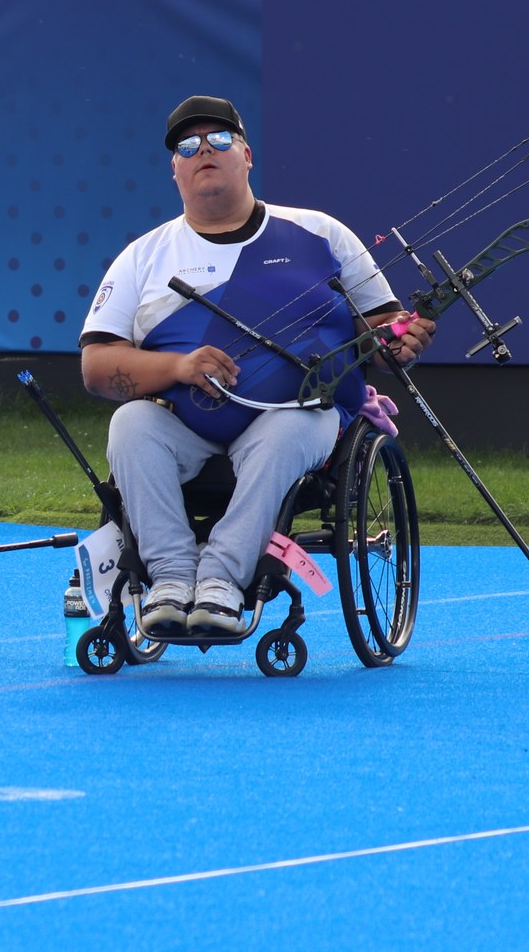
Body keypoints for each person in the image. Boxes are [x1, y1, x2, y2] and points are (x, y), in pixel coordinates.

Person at [79, 95, 433, 638]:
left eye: (219, 140)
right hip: (188, 428)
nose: (204, 152)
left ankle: (221, 581)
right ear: (174, 167)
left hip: (299, 417)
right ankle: (171, 581)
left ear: (246, 155)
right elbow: (98, 366)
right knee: (130, 425)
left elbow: (383, 328)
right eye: (187, 145)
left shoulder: (320, 232)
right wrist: (177, 367)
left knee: (290, 427)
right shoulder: (143, 255)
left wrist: (399, 339)